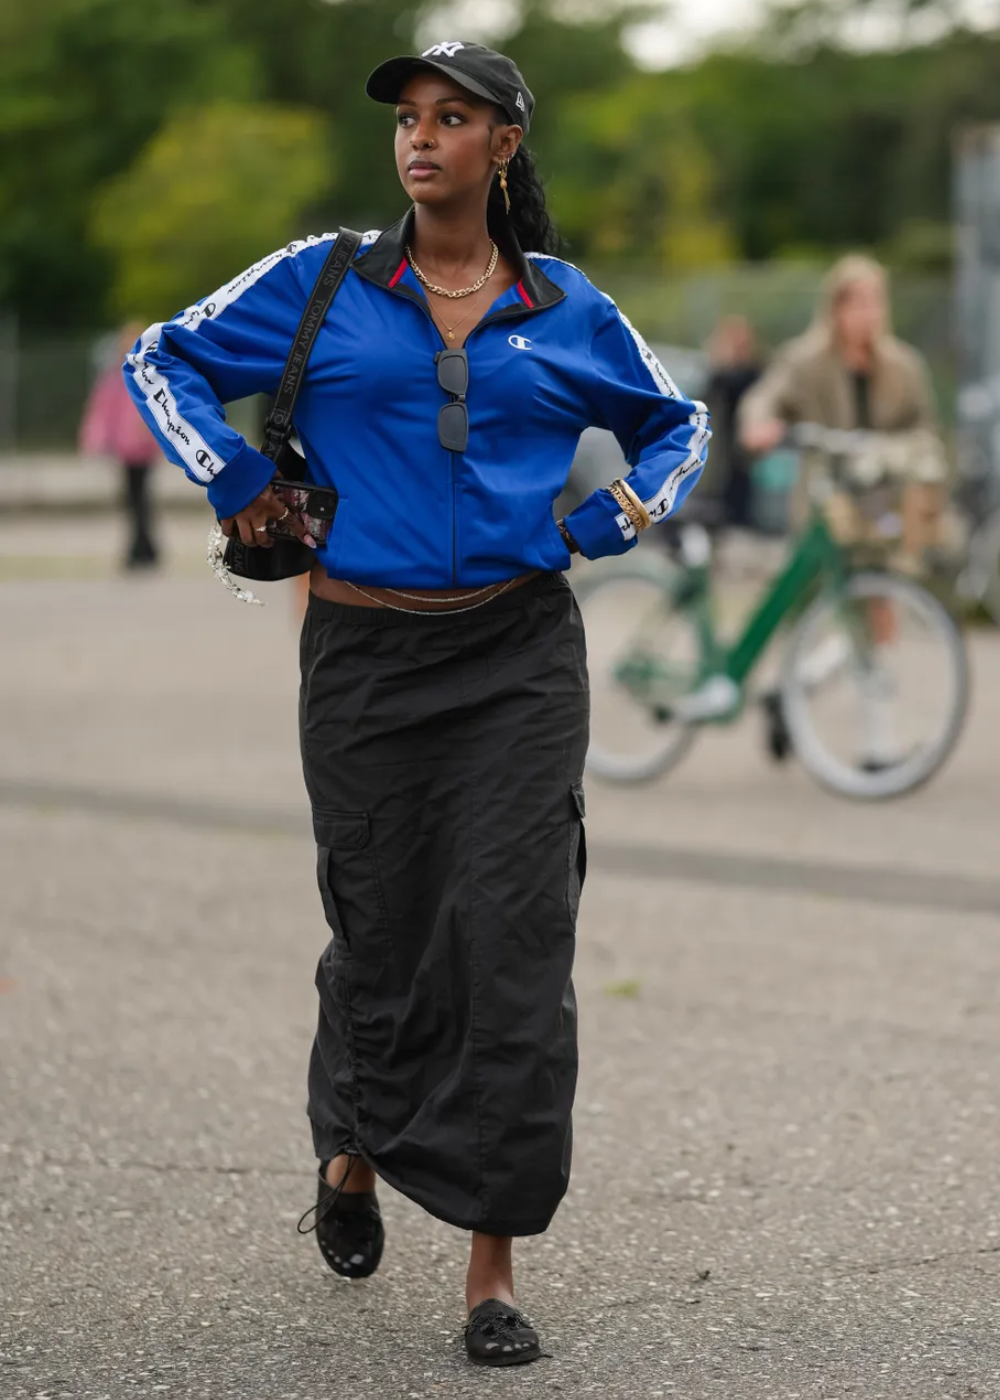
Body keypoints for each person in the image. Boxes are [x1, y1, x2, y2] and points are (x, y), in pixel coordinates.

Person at [123, 41, 708, 1366]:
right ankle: (352, 1149)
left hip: (517, 660)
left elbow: (681, 424)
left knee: (510, 942)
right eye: (408, 119)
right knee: (381, 934)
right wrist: (230, 478)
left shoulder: (566, 308)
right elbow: (156, 361)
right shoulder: (321, 281)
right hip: (365, 661)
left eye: (453, 118)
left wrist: (613, 513)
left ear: (504, 144)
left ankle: (490, 1272)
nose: (421, 138)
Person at [739, 254, 947, 565]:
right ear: (836, 309)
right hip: (825, 492)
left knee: (883, 583)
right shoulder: (805, 362)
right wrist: (759, 426)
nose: (869, 313)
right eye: (859, 303)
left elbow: (925, 426)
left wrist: (895, 451)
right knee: (811, 585)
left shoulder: (904, 366)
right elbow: (764, 398)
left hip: (883, 495)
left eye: (875, 302)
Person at [80, 322, 162, 569]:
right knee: (136, 499)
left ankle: (141, 550)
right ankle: (144, 548)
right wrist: (98, 440)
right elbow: (104, 413)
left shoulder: (145, 375)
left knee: (137, 499)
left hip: (142, 448)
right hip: (127, 448)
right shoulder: (116, 378)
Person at [702, 314, 761, 530]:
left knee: (742, 488)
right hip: (723, 442)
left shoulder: (751, 370)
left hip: (742, 441)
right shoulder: (721, 373)